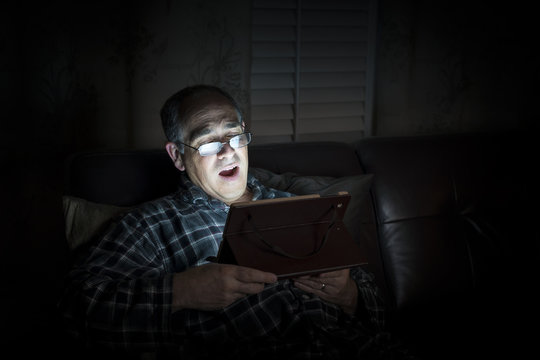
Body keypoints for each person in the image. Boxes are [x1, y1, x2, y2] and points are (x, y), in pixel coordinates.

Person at [59, 85, 416, 359]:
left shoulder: (302, 208)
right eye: (209, 143)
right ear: (178, 155)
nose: (228, 150)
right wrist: (182, 291)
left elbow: (379, 310)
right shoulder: (150, 225)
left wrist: (349, 295)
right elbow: (76, 311)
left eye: (234, 136)